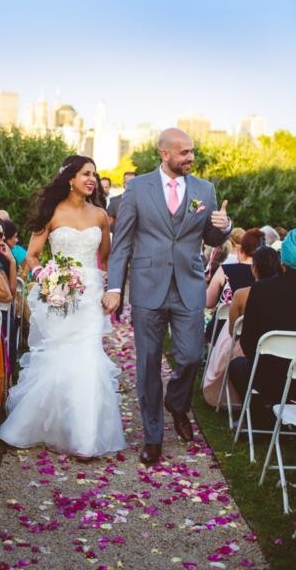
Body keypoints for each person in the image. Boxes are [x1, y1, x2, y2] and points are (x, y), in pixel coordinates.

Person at [103, 128, 230, 466]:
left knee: (189, 357)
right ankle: (153, 436)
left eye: (192, 152)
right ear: (164, 154)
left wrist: (224, 225)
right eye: (184, 152)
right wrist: (115, 287)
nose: (190, 158)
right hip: (147, 287)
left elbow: (213, 236)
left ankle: (176, 402)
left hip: (189, 285)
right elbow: (123, 243)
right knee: (147, 365)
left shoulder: (204, 190)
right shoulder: (136, 188)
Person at [0, 155, 126, 458]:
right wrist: (49, 279)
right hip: (59, 296)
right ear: (70, 178)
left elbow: (105, 259)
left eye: (94, 174)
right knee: (59, 354)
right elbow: (33, 256)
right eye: (85, 174)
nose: (91, 179)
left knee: (88, 355)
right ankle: (43, 425)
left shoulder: (100, 216)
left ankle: (86, 436)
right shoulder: (51, 212)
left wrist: (109, 288)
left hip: (90, 295)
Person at [203, 246, 282, 407]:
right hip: (281, 360)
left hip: (247, 352)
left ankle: (249, 406)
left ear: (254, 268)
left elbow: (233, 332)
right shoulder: (283, 296)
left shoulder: (243, 294)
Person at [229, 228, 296, 412]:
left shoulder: (261, 290)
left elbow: (248, 342)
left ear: (284, 259)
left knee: (236, 366)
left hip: (268, 377)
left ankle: (260, 415)